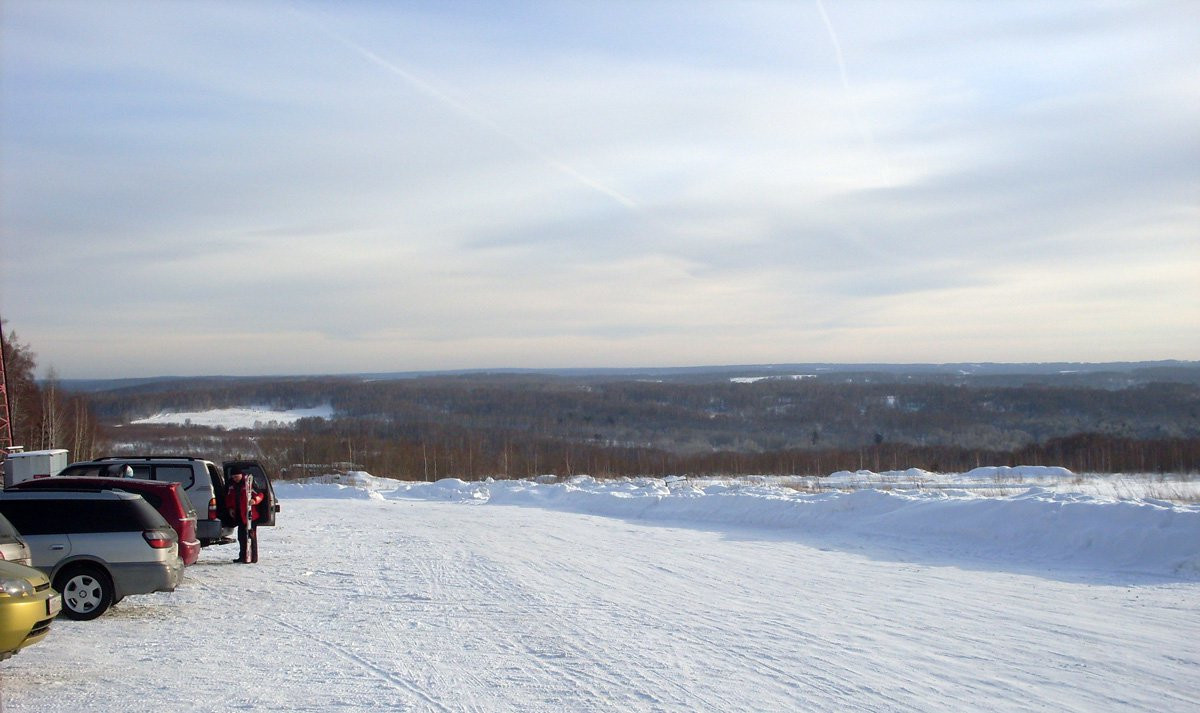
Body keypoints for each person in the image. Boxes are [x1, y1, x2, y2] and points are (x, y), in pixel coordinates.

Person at [226, 470, 264, 563]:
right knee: (241, 537)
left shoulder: (249, 483)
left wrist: (255, 500)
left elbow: (260, 495)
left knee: (251, 537)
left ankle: (253, 557)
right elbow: (229, 498)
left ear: (241, 475)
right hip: (239, 515)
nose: (235, 479)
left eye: (236, 477)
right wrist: (230, 508)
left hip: (250, 515)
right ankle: (243, 556)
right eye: (233, 477)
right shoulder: (232, 485)